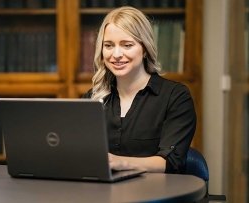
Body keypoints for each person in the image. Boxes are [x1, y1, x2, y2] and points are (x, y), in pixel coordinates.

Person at [82, 6, 196, 174]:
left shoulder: (176, 97)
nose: (116, 54)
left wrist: (120, 163)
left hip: (155, 194)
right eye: (108, 45)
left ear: (145, 49)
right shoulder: (92, 98)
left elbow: (171, 161)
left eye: (127, 45)